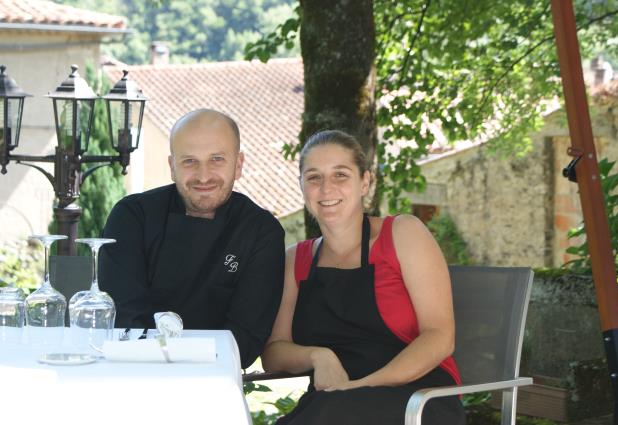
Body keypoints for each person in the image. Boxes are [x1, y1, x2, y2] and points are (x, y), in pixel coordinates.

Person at [261, 130, 466, 424]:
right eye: (314, 177)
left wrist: (359, 386)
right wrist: (319, 356)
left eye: (341, 175)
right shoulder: (296, 259)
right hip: (334, 403)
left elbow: (440, 337)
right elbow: (274, 352)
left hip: (418, 400)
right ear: (302, 187)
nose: (326, 188)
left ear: (365, 182)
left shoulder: (403, 234)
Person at [99, 109, 285, 368]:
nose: (203, 175)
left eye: (217, 159)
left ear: (239, 164)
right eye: (189, 161)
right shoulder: (133, 216)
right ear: (172, 167)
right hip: (133, 374)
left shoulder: (261, 232)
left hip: (212, 384)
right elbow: (124, 320)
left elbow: (244, 341)